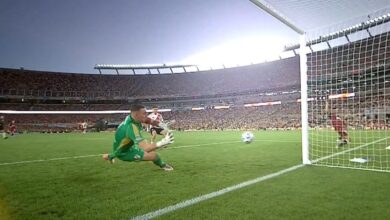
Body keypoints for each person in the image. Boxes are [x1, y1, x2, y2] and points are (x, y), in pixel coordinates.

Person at [102, 104, 174, 171]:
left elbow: (148, 120)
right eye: (144, 113)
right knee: (154, 155)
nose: (146, 115)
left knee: (145, 144)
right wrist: (163, 142)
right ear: (137, 115)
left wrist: (160, 123)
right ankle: (163, 165)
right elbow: (145, 148)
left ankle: (110, 156)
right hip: (126, 152)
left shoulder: (133, 118)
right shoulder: (131, 127)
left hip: (127, 145)